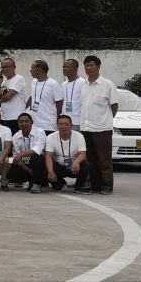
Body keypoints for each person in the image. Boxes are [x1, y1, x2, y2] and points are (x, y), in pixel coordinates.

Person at [80, 55, 119, 195]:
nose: (89, 68)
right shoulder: (83, 85)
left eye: (91, 65)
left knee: (104, 159)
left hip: (102, 129)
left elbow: (114, 106)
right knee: (89, 159)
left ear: (98, 66)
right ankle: (93, 185)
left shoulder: (107, 84)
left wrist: (105, 120)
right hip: (86, 128)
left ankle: (106, 185)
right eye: (86, 66)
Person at [45, 115, 91, 194]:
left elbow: (83, 154)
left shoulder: (79, 137)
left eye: (66, 124)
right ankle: (60, 183)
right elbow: (48, 155)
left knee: (85, 163)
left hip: (74, 166)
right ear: (57, 126)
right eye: (60, 124)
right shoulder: (50, 137)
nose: (63, 126)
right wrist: (50, 171)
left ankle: (79, 186)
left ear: (71, 125)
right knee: (46, 165)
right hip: (59, 166)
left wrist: (76, 162)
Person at [8, 113, 48, 193]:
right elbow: (16, 158)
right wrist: (29, 171)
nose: (24, 124)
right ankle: (30, 179)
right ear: (18, 123)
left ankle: (37, 184)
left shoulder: (40, 132)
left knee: (37, 157)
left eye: (26, 121)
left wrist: (21, 154)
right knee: (11, 164)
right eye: (21, 122)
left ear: (32, 122)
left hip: (39, 163)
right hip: (25, 164)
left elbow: (38, 150)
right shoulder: (15, 136)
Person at [28, 60, 63, 136]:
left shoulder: (53, 84)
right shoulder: (33, 82)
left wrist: (56, 119)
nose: (30, 70)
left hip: (48, 125)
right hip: (34, 125)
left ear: (39, 69)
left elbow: (59, 102)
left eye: (32, 68)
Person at [0, 57, 26, 134]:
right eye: (4, 67)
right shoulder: (4, 82)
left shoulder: (19, 78)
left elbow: (8, 96)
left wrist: (0, 101)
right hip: (4, 118)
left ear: (14, 67)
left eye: (9, 66)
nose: (6, 69)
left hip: (16, 118)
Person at [60, 59, 87, 131]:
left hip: (77, 122)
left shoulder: (83, 82)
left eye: (67, 67)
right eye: (63, 67)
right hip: (64, 121)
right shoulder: (63, 84)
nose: (64, 69)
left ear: (76, 68)